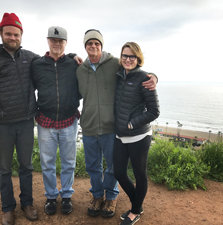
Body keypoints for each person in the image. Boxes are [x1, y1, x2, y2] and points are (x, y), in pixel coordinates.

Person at [76, 30, 157, 218]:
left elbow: (137, 73)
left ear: (102, 46)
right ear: (85, 46)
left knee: (113, 168)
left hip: (112, 127)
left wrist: (153, 76)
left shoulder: (114, 64)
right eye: (90, 43)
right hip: (88, 126)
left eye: (97, 43)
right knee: (93, 166)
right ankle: (97, 196)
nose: (93, 46)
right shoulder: (80, 70)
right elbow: (74, 93)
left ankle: (112, 198)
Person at [0, 13, 39, 225]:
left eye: (16, 34)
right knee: (4, 169)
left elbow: (52, 62)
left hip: (26, 122)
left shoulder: (30, 57)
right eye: (8, 33)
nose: (13, 37)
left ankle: (27, 203)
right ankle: (7, 208)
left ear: (21, 35)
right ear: (1, 33)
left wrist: (73, 55)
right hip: (2, 125)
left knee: (26, 166)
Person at [31, 26, 81, 216]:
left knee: (69, 162)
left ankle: (66, 195)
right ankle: (51, 196)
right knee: (47, 163)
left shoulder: (74, 63)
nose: (57, 43)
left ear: (66, 43)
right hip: (45, 121)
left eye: (60, 41)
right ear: (48, 41)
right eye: (53, 40)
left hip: (69, 120)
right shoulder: (37, 64)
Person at [113, 42, 160, 225]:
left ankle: (134, 211)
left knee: (140, 175)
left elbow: (154, 111)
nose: (127, 59)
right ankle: (137, 204)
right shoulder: (118, 76)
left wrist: (133, 124)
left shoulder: (144, 78)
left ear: (138, 58)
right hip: (120, 135)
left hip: (139, 136)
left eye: (132, 56)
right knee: (119, 173)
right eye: (125, 55)